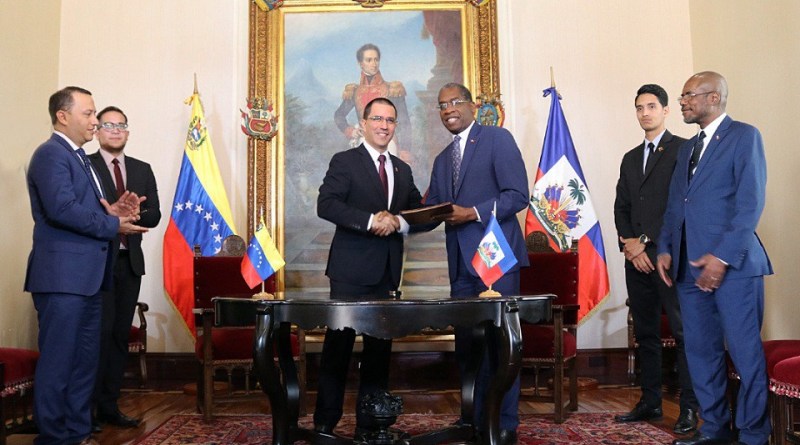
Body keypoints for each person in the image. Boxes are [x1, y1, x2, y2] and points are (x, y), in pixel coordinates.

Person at [25, 86, 146, 445]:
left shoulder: (79, 158)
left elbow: (84, 208)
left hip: (90, 280)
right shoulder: (50, 154)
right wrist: (112, 225)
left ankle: (77, 433)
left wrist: (113, 211)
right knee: (59, 362)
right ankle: (54, 437)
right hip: (63, 279)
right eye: (89, 113)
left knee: (84, 363)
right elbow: (61, 210)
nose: (95, 121)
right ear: (62, 116)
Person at [657, 72, 772, 445]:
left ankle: (753, 434)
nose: (682, 102)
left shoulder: (744, 136)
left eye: (689, 95)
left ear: (714, 97)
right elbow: (676, 206)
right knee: (701, 353)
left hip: (735, 268)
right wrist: (665, 248)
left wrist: (722, 257)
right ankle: (715, 429)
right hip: (689, 270)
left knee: (744, 353)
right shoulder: (687, 149)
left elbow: (750, 203)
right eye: (682, 96)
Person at [423, 82, 529, 445]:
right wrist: (397, 219)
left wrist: (472, 213)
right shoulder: (442, 160)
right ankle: (474, 417)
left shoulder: (497, 139)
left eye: (455, 102)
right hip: (461, 265)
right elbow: (432, 210)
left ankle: (504, 422)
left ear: (472, 106)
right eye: (442, 105)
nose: (448, 109)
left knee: (501, 346)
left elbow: (518, 195)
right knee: (468, 346)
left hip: (495, 258)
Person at [314, 97, 423, 437]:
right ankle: (325, 425)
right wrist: (370, 220)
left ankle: (370, 425)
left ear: (395, 126)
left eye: (390, 120)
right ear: (363, 123)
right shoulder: (345, 161)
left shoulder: (402, 170)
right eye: (377, 118)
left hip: (387, 273)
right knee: (338, 350)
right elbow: (326, 204)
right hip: (349, 272)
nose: (384, 125)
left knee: (378, 352)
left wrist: (399, 222)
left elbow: (418, 212)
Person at [613, 84, 699, 434]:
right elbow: (622, 207)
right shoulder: (630, 158)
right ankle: (650, 401)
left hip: (668, 258)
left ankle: (689, 407)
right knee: (646, 334)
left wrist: (646, 244)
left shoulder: (683, 149)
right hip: (635, 261)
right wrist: (630, 247)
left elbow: (680, 205)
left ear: (665, 110)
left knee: (683, 333)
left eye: (651, 106)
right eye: (639, 107)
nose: (645, 113)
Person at [88, 106, 161, 430]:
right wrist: (112, 219)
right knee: (98, 335)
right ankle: (86, 410)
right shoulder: (86, 165)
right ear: (97, 131)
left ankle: (109, 406)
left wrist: (133, 214)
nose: (115, 130)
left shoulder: (142, 169)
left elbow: (154, 214)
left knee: (119, 335)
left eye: (121, 125)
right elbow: (83, 212)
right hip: (96, 262)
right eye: (108, 124)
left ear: (128, 132)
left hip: (129, 263)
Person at [333, 43, 412, 160]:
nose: (374, 64)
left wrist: (405, 150)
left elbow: (405, 123)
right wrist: (351, 131)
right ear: (360, 63)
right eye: (369, 60)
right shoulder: (355, 91)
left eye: (376, 60)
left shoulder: (393, 90)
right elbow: (338, 115)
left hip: (388, 143)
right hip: (363, 142)